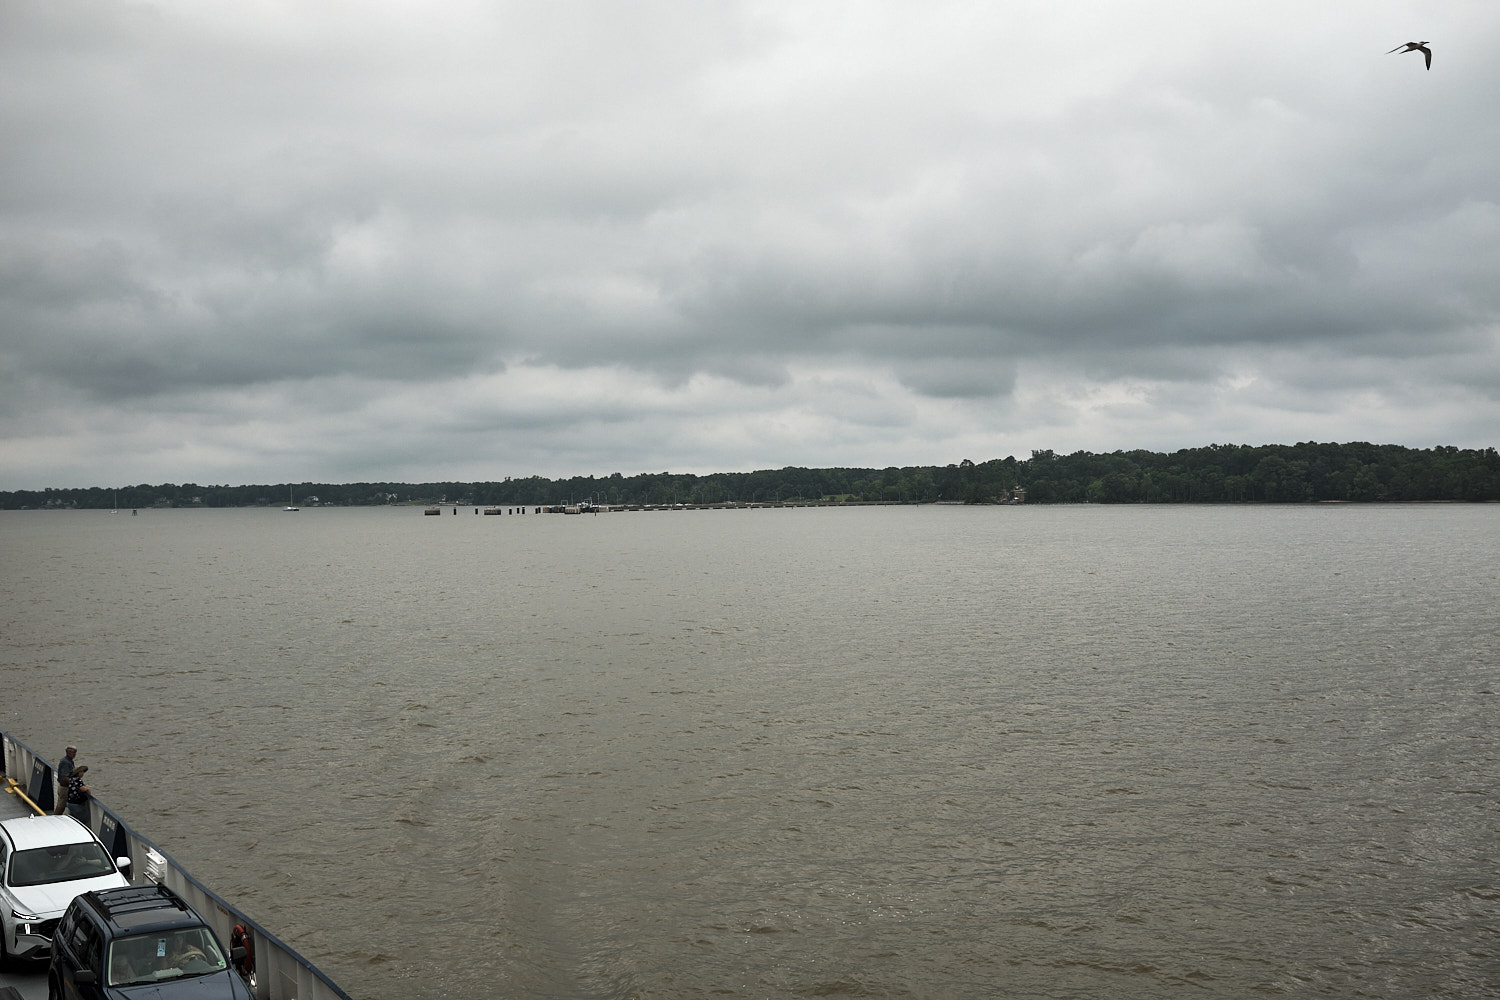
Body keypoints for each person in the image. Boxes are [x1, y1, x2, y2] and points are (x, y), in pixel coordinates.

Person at [54, 744, 78, 814]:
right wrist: (75, 783)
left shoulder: (69, 761)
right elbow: (64, 777)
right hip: (64, 788)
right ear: (68, 753)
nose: (74, 754)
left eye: (75, 752)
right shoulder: (66, 762)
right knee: (61, 806)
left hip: (65, 787)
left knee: (61, 804)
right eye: (73, 752)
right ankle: (55, 818)